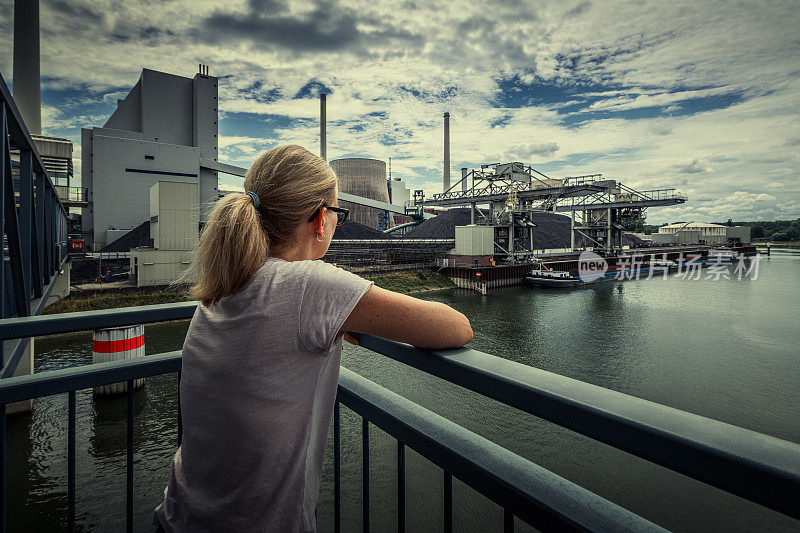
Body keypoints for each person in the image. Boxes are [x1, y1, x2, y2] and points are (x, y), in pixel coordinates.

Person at [153, 145, 472, 532]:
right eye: (338, 214)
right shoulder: (310, 287)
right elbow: (457, 327)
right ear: (322, 219)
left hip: (178, 516)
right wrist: (341, 303)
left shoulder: (226, 284)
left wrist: (340, 308)